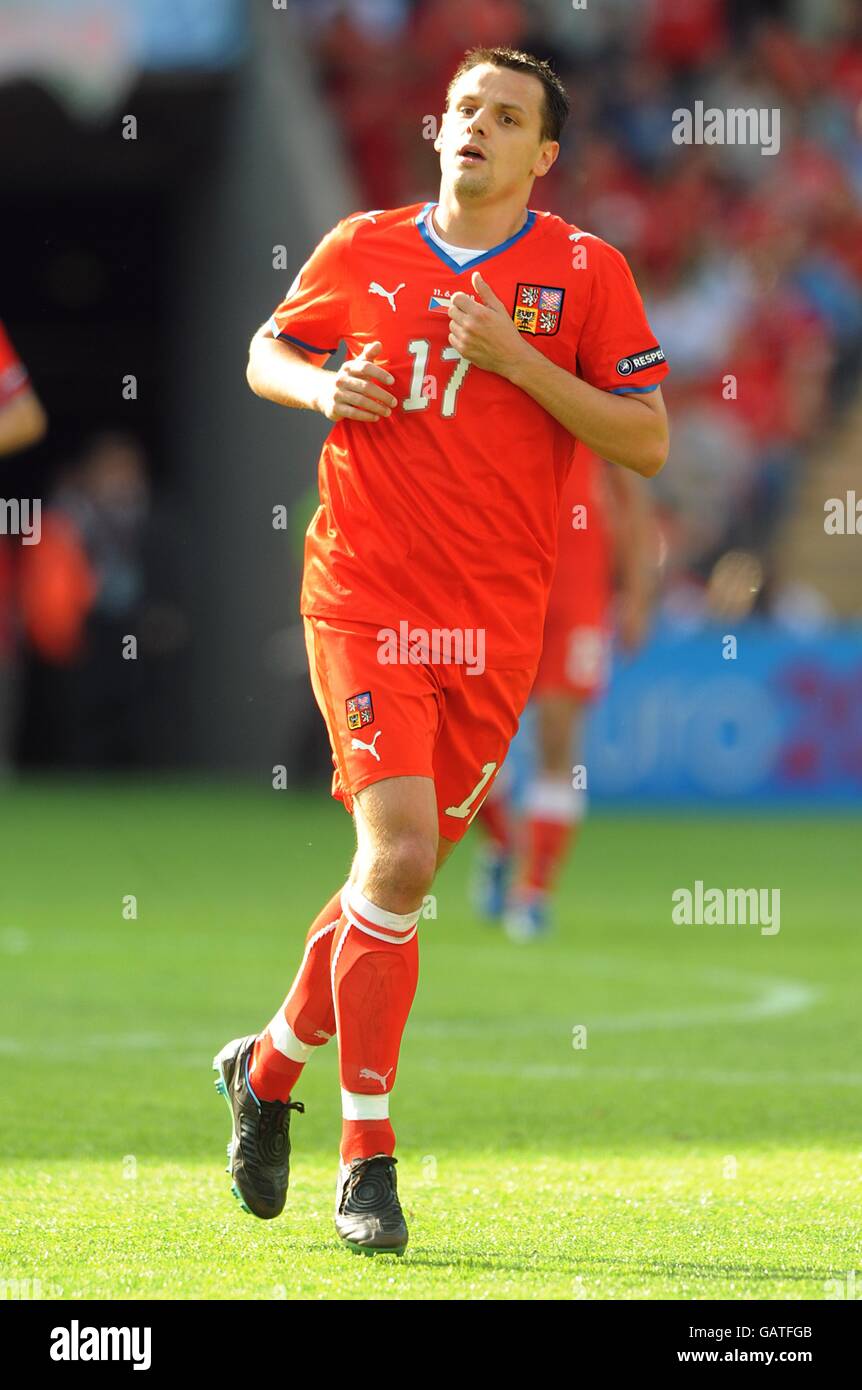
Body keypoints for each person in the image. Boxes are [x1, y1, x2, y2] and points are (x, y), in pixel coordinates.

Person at [216, 45, 669, 1256]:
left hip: (492, 629)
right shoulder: (362, 246)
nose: (475, 126)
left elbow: (646, 440)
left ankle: (264, 1067)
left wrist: (520, 361)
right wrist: (322, 391)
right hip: (363, 602)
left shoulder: (583, 273)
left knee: (390, 887)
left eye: (505, 115)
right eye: (464, 108)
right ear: (438, 128)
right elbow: (266, 348)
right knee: (404, 856)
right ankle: (367, 1156)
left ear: (543, 154)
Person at [475, 443, 654, 939]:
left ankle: (532, 893)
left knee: (558, 736)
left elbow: (631, 498)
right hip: (501, 589)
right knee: (471, 744)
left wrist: (637, 593)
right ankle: (502, 841)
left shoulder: (593, 392)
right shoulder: (502, 377)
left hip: (576, 600)